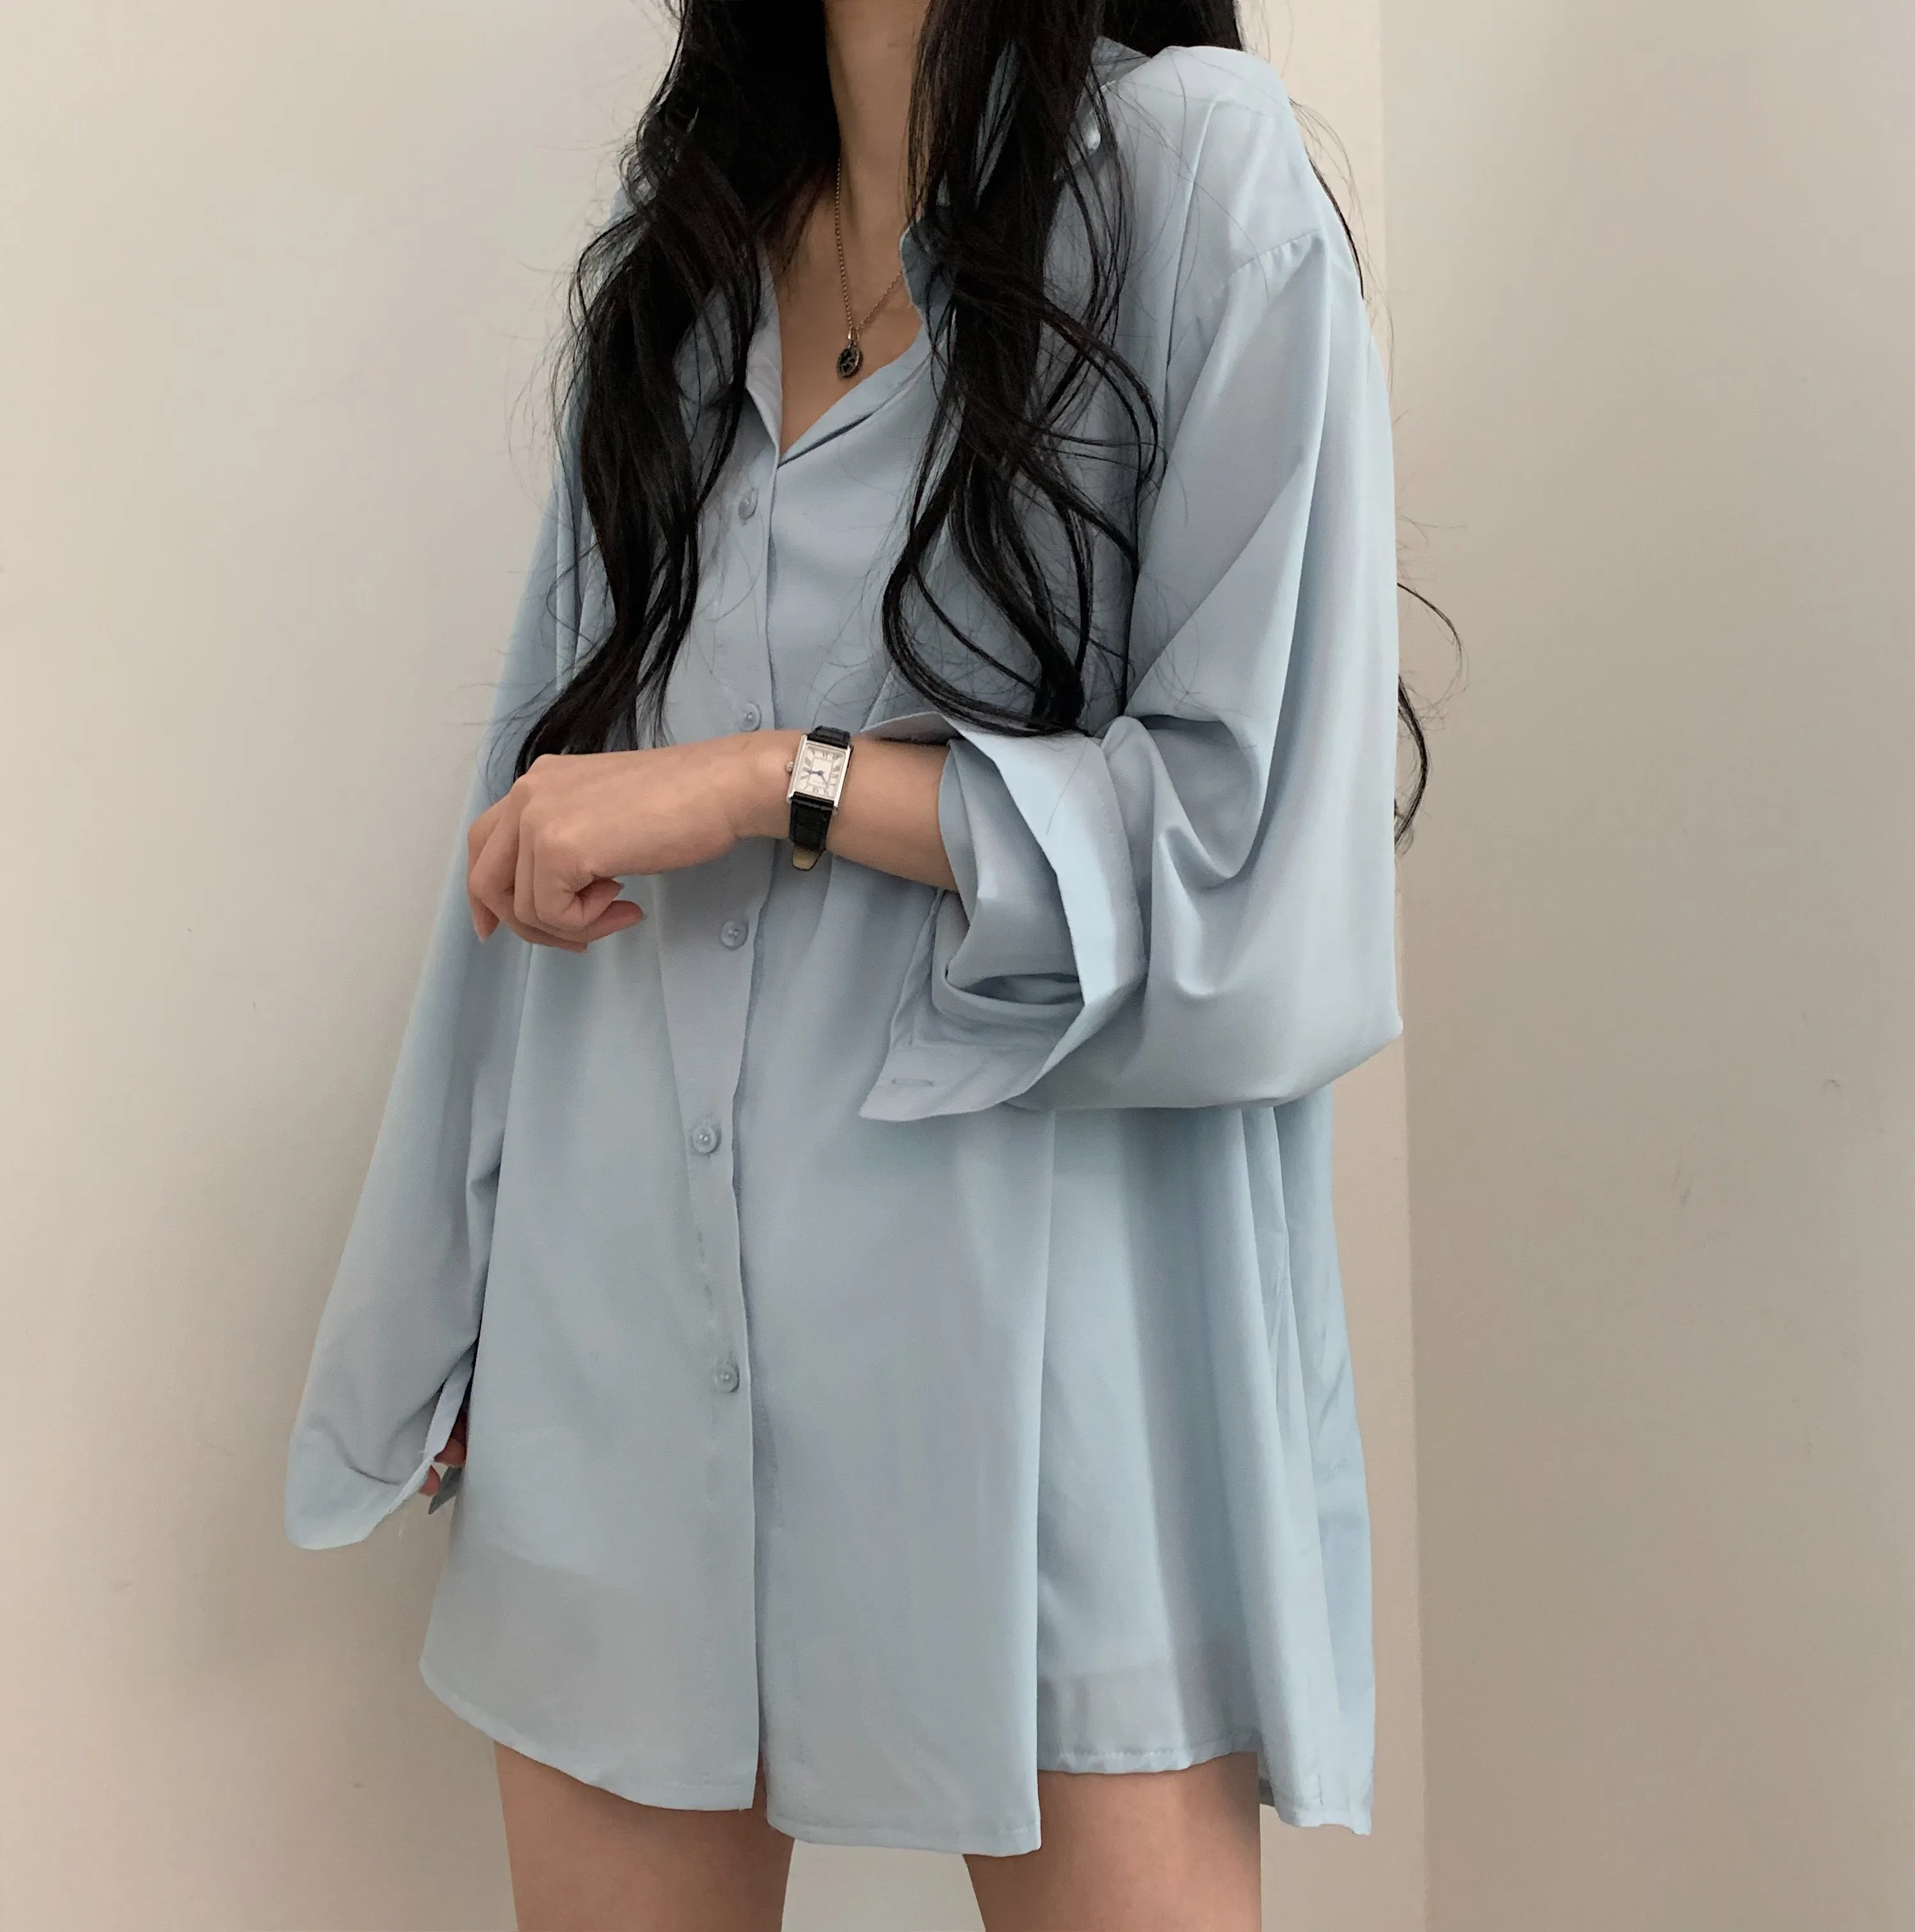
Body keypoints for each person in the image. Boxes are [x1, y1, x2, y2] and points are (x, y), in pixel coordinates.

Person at [284, 1, 1421, 1924]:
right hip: (626, 1331)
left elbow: (1254, 859)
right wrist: (441, 1305)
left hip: (1052, 1351)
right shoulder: (693, 258)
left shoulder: (1199, 180)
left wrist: (769, 782)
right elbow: (536, 815)